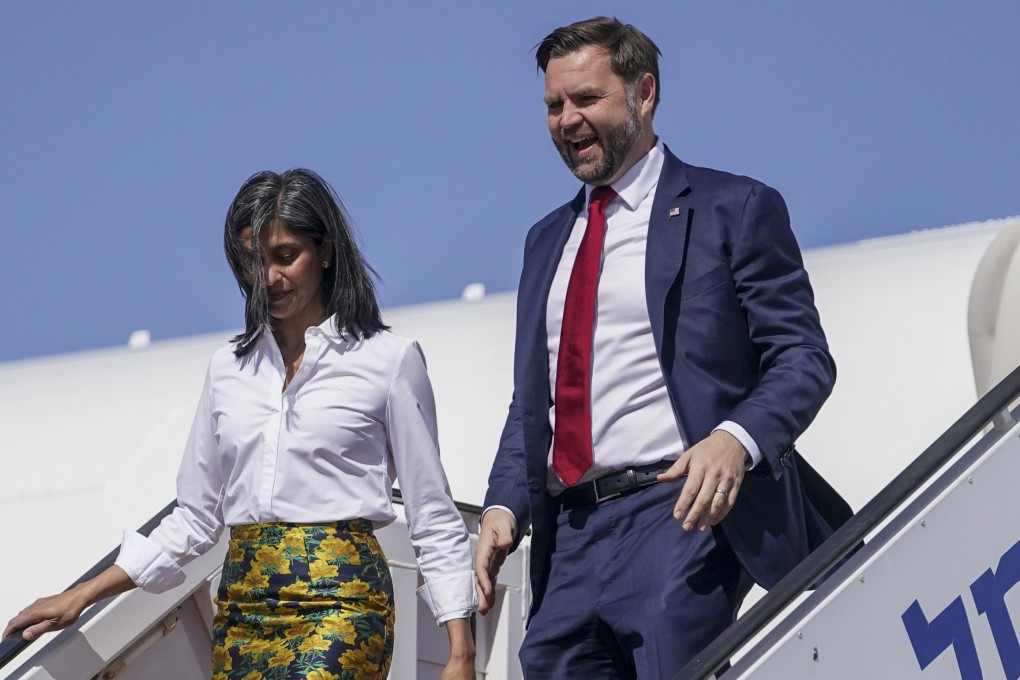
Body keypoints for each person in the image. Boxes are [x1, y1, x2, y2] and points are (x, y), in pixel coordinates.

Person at [474, 16, 852, 679]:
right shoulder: (545, 242)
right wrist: (504, 506)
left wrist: (736, 438)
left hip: (679, 512)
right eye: (554, 106)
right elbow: (535, 403)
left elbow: (802, 357)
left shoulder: (733, 208)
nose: (567, 120)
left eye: (586, 99)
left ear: (643, 93)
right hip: (571, 540)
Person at [5, 168, 477, 679]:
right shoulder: (228, 368)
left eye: (285, 255)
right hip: (243, 608)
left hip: (342, 604)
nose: (269, 278)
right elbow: (196, 517)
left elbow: (432, 513)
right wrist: (81, 596)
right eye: (253, 262)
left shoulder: (389, 360)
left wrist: (460, 652)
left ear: (326, 251)